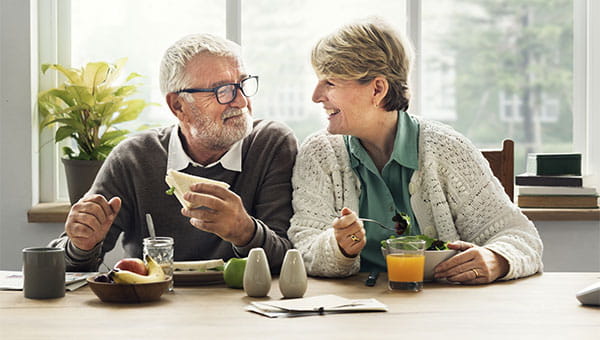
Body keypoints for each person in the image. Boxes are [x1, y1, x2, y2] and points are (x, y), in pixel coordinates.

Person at [288, 18, 543, 284]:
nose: (316, 96)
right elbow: (304, 246)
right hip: (351, 313)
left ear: (377, 88)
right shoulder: (319, 153)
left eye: (330, 83)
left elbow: (520, 236)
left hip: (441, 311)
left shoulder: (448, 149)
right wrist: (339, 246)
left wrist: (497, 258)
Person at [49, 33, 297, 272]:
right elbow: (65, 267)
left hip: (242, 305)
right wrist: (80, 245)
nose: (241, 102)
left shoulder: (271, 144)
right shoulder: (134, 158)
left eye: (242, 84)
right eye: (223, 90)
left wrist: (245, 232)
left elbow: (289, 259)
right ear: (178, 106)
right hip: (151, 304)